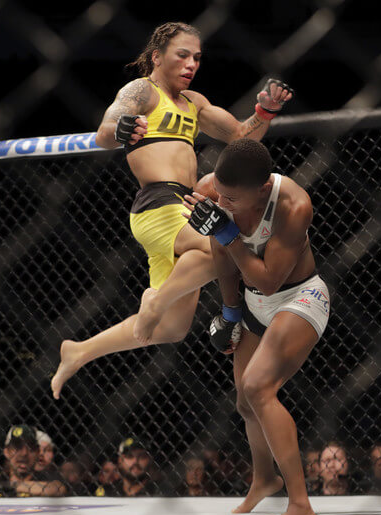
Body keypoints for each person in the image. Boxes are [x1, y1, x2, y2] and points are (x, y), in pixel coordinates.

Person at [50, 21, 292, 399]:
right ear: (157, 56)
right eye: (182, 55)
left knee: (172, 328)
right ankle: (154, 302)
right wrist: (123, 127)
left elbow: (241, 138)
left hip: (183, 206)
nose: (191, 63)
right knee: (224, 251)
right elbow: (104, 132)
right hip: (157, 204)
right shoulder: (142, 89)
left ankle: (79, 351)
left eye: (197, 57)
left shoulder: (195, 103)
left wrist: (263, 111)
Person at [184, 139, 330, 515]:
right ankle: (265, 479)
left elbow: (268, 281)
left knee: (259, 387)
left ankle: (301, 507)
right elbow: (221, 255)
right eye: (221, 194)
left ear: (263, 189)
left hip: (298, 297)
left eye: (233, 198)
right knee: (245, 403)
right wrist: (230, 313)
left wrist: (229, 233)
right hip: (250, 302)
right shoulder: (211, 190)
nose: (224, 202)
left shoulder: (293, 207)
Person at [0, 425, 66, 498]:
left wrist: (12, 486)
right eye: (17, 447)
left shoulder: (43, 480)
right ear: (6, 452)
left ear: (37, 452)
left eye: (30, 448)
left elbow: (57, 488)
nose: (24, 453)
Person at [94, 437, 159, 497]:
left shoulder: (161, 491)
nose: (135, 461)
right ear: (120, 460)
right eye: (129, 456)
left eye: (142, 456)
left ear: (150, 460)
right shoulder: (106, 492)